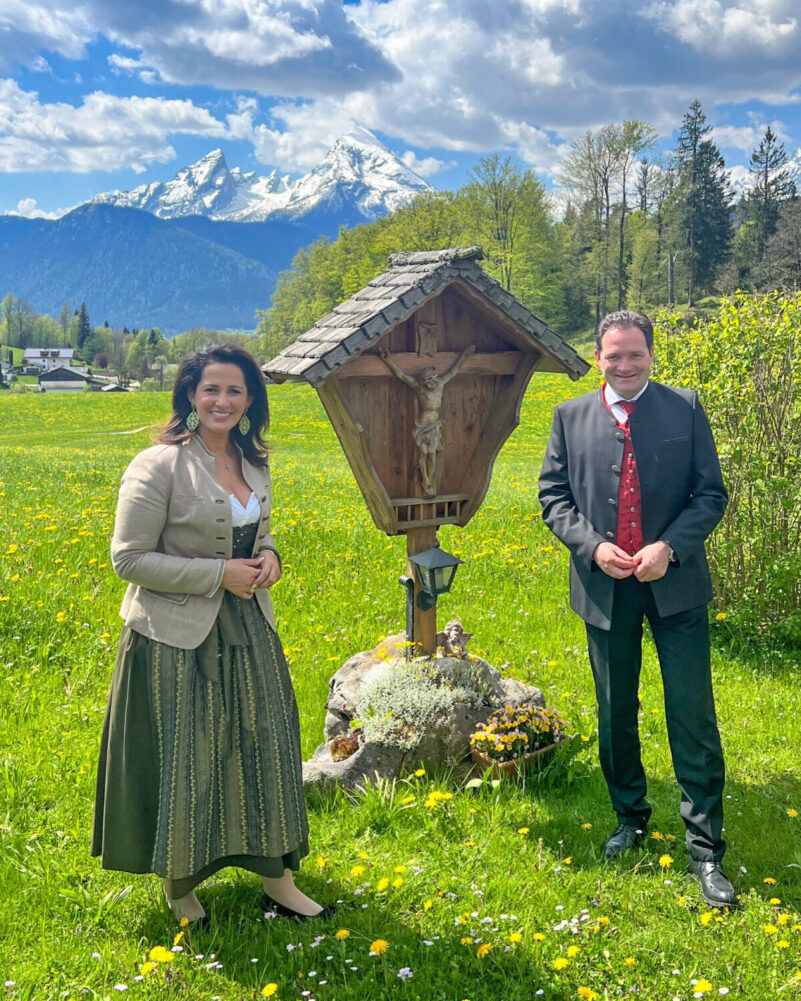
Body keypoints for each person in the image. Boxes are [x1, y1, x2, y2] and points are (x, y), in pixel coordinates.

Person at [92, 345, 330, 925]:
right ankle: (180, 886)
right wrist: (216, 575)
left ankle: (278, 877)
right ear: (190, 397)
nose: (223, 401)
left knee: (264, 744)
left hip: (249, 625)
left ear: (251, 401)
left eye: (235, 391)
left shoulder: (254, 462)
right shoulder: (158, 464)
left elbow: (260, 532)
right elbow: (128, 559)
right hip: (176, 635)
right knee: (189, 755)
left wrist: (269, 556)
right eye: (211, 390)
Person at [538, 310, 735, 908]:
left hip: (674, 585)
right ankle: (631, 817)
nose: (624, 365)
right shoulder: (569, 417)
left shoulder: (685, 407)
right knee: (615, 707)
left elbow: (711, 494)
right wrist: (592, 546)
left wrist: (669, 548)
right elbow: (554, 496)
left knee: (691, 710)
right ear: (597, 356)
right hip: (606, 588)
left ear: (651, 353)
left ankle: (706, 849)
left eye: (635, 355)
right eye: (613, 356)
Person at [379, 344, 474, 496]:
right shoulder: (419, 388)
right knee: (424, 453)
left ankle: (430, 478)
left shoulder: (441, 385)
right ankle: (425, 481)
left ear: (434, 378)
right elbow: (401, 375)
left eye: (430, 381)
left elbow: (454, 371)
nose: (429, 384)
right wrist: (388, 360)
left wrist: (465, 355)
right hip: (423, 425)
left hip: (435, 425)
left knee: (432, 453)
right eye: (425, 382)